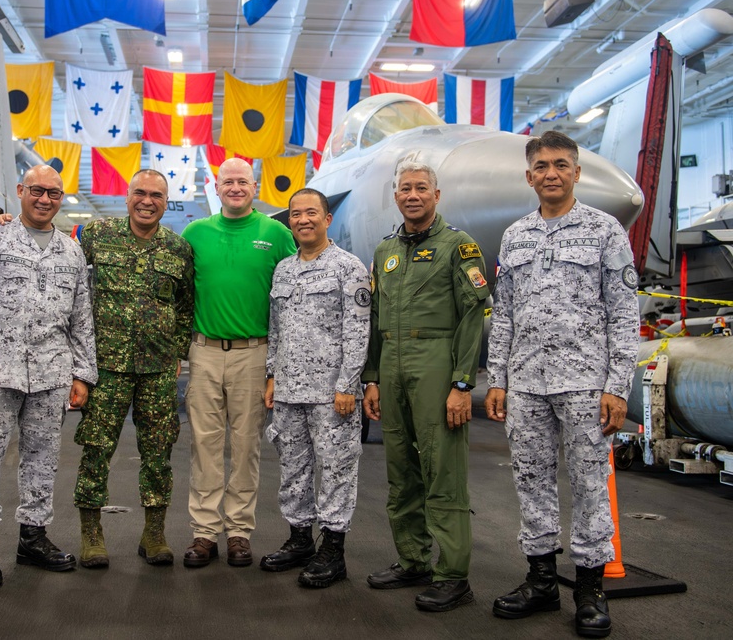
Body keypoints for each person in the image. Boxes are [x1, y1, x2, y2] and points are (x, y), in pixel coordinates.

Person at [484, 131, 639, 638]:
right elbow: (502, 315)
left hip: (585, 385)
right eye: (542, 166)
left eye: (561, 164)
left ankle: (591, 589)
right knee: (531, 482)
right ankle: (542, 580)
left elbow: (623, 313)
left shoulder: (605, 231)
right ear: (529, 176)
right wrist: (498, 378)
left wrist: (618, 386)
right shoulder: (515, 236)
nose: (551, 173)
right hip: (526, 383)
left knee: (591, 484)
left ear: (576, 172)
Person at [0, 165, 97, 588]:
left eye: (54, 193)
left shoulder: (71, 251)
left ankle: (33, 538)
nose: (45, 199)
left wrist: (82, 374)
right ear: (20, 191)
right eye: (37, 190)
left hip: (53, 373)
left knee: (43, 460)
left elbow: (81, 317)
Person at [362, 161, 489, 612]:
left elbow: (474, 314)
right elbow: (375, 320)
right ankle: (413, 559)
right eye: (404, 188)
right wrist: (372, 377)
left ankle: (453, 575)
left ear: (437, 194)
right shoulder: (385, 252)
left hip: (436, 362)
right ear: (395, 196)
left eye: (421, 188)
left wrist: (462, 384)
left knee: (442, 470)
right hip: (392, 363)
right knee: (401, 469)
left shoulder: (459, 246)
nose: (412, 195)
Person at [73, 169, 195, 568]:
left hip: (158, 369)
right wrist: (6, 219)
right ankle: (92, 533)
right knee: (96, 449)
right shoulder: (95, 235)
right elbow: (52, 248)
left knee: (158, 453)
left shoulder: (179, 249)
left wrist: (177, 351)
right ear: (127, 197)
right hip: (106, 366)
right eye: (140, 193)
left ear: (166, 201)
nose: (147, 201)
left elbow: (184, 306)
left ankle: (154, 533)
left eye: (156, 195)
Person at [181, 158, 296, 568]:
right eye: (227, 181)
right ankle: (204, 532)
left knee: (246, 445)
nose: (234, 187)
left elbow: (297, 286)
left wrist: (278, 366)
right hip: (204, 351)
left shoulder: (276, 234)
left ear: (254, 186)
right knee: (205, 445)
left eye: (242, 181)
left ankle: (239, 533)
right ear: (216, 185)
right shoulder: (195, 233)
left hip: (254, 352)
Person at [261, 188, 370, 588]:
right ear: (289, 222)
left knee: (337, 468)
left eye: (311, 213)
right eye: (296, 214)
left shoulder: (349, 267)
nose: (303, 220)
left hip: (331, 393)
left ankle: (333, 550)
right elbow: (277, 329)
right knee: (293, 468)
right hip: (289, 390)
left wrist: (347, 385)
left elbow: (358, 331)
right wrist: (272, 375)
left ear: (327, 219)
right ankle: (300, 538)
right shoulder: (284, 270)